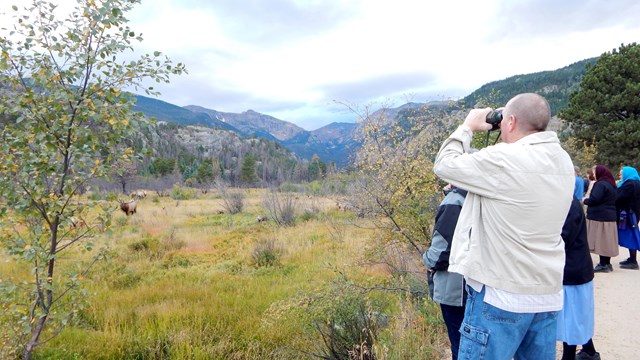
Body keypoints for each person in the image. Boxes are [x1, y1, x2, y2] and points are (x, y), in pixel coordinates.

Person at [433, 93, 574, 359]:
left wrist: (467, 126)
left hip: (499, 296)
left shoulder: (504, 160)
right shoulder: (562, 161)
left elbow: (445, 165)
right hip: (546, 294)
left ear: (509, 122)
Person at [423, 184, 467, 360]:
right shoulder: (481, 196)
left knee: (460, 345)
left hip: (455, 288)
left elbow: (441, 251)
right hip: (480, 285)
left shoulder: (454, 201)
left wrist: (427, 260)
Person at [557, 197, 599, 360]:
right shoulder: (569, 200)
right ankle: (589, 351)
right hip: (577, 268)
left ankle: (568, 356)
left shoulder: (568, 203)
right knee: (578, 315)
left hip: (573, 270)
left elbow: (563, 236)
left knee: (572, 317)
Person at [583, 165, 618, 273]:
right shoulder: (611, 185)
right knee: (607, 241)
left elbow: (595, 199)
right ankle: (607, 263)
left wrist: (585, 201)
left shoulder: (600, 184)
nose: (593, 174)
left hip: (599, 217)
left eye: (594, 171)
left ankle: (603, 264)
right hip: (610, 216)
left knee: (601, 241)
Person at [616, 165, 640, 270]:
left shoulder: (629, 184)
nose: (620, 175)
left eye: (622, 173)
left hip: (629, 214)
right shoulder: (637, 183)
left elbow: (620, 198)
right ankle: (631, 258)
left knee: (630, 235)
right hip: (634, 213)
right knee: (631, 234)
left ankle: (633, 260)